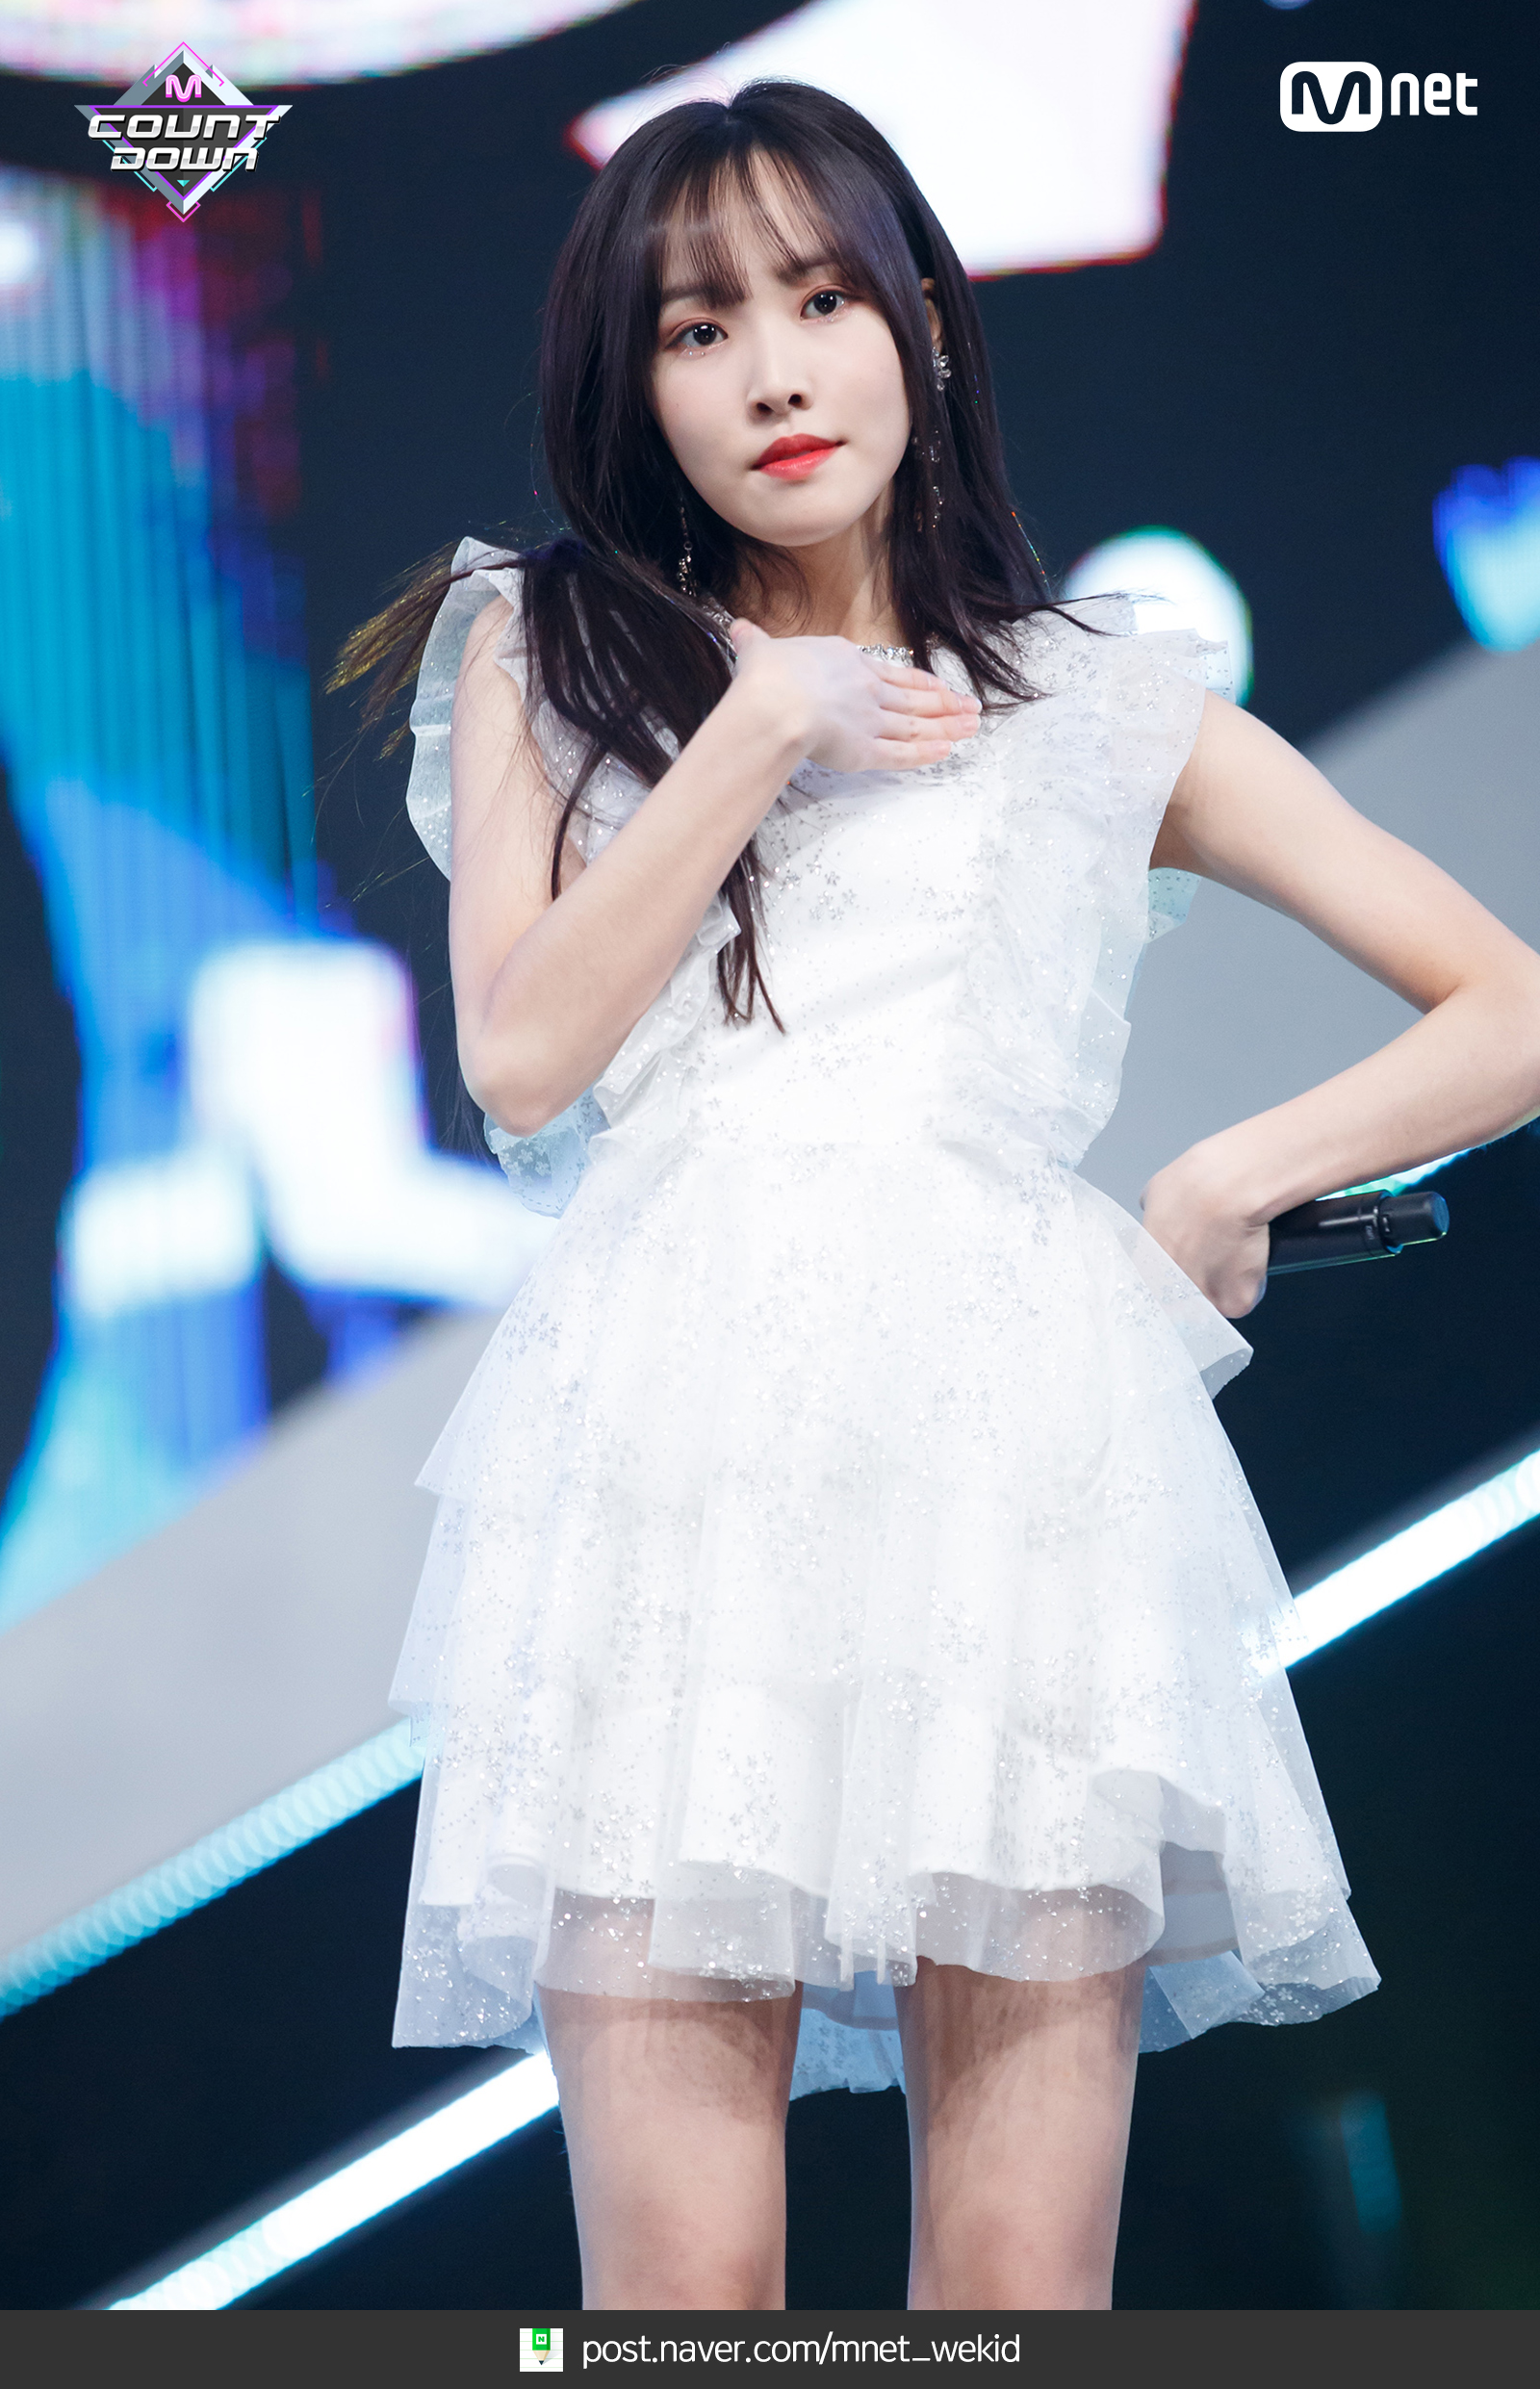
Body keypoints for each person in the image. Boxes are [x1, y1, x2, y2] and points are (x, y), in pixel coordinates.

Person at [333, 82, 1540, 2312]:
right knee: (677, 2304)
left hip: (1015, 1482)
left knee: (1007, 2297)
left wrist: (1228, 1171)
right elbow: (517, 1056)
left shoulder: (1094, 708)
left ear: (924, 331)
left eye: (819, 300)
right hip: (668, 1483)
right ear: (634, 388)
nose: (772, 372)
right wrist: (754, 725)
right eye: (699, 328)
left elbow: (1508, 1004)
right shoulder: (543, 650)